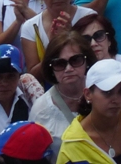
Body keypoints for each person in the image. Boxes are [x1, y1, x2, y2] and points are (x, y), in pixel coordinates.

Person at [20, 0, 97, 76]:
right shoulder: (30, 27)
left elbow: (97, 61)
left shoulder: (89, 17)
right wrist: (54, 46)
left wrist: (71, 36)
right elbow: (33, 75)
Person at [30, 29, 98, 157]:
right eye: (59, 64)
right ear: (51, 68)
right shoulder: (40, 110)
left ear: (87, 61)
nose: (68, 69)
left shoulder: (104, 93)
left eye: (76, 60)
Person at [74, 14, 121, 105]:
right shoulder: (76, 71)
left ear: (109, 40)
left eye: (99, 36)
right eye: (86, 39)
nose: (93, 43)